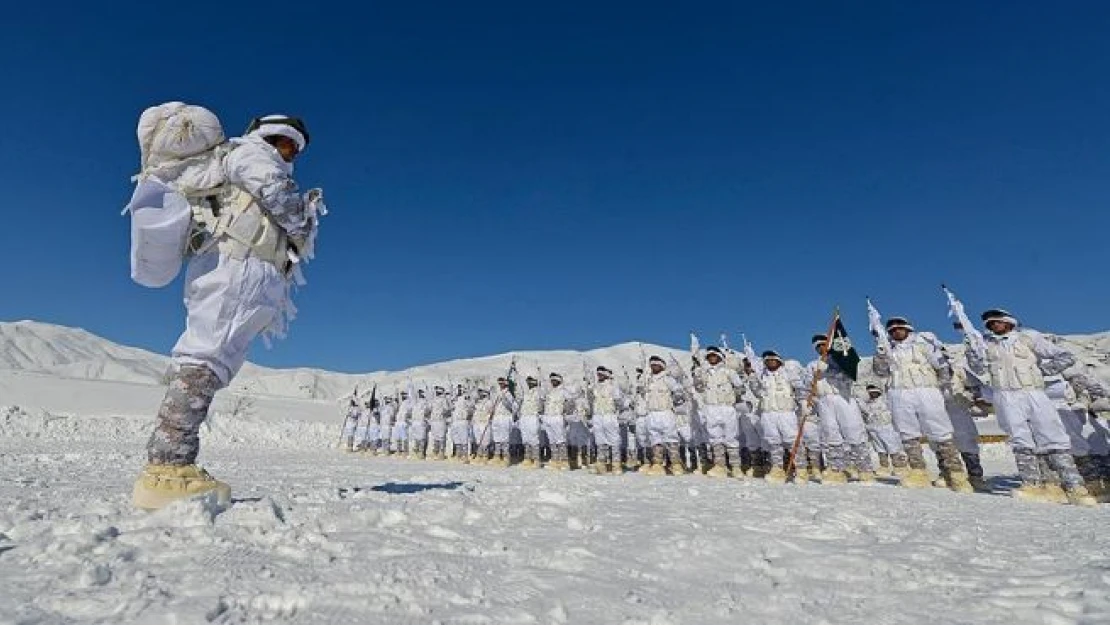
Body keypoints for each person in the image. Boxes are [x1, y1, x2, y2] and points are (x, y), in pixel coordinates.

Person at [132, 115, 319, 510]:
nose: (289, 152)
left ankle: (173, 462)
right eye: (285, 143)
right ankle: (167, 467)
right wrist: (302, 224)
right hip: (237, 265)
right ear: (268, 136)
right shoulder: (251, 153)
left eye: (294, 148)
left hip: (243, 268)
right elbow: (275, 193)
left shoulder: (245, 158)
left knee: (213, 361)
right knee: (206, 356)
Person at [965, 309, 1096, 506]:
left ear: (1009, 322)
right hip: (1005, 396)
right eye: (990, 324)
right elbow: (978, 368)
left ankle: (1074, 486)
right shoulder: (985, 343)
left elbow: (1065, 356)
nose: (993, 326)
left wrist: (1042, 371)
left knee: (1052, 436)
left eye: (997, 322)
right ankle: (1032, 484)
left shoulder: (1028, 337)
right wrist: (972, 350)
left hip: (1033, 392)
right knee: (1019, 439)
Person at [871, 317, 972, 492]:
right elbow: (880, 372)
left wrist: (941, 388)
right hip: (900, 393)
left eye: (899, 328)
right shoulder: (888, 349)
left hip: (926, 391)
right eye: (892, 330)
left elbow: (941, 367)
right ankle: (918, 471)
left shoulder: (922, 343)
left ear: (907, 329)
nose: (896, 332)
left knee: (940, 432)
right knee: (908, 434)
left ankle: (955, 473)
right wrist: (881, 353)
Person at [693, 347, 745, 477]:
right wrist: (697, 377)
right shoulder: (704, 372)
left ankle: (735, 467)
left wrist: (735, 397)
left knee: (731, 437)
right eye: (709, 356)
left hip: (726, 407)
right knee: (715, 438)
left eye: (714, 356)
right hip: (711, 408)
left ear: (719, 357)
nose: (712, 358)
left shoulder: (729, 372)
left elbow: (740, 387)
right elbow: (699, 389)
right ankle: (719, 465)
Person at [858, 384, 909, 477]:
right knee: (880, 449)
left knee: (893, 447)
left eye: (874, 392)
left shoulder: (884, 401)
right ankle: (884, 466)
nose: (873, 394)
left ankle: (900, 466)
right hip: (874, 429)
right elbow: (866, 412)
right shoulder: (867, 403)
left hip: (886, 427)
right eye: (870, 393)